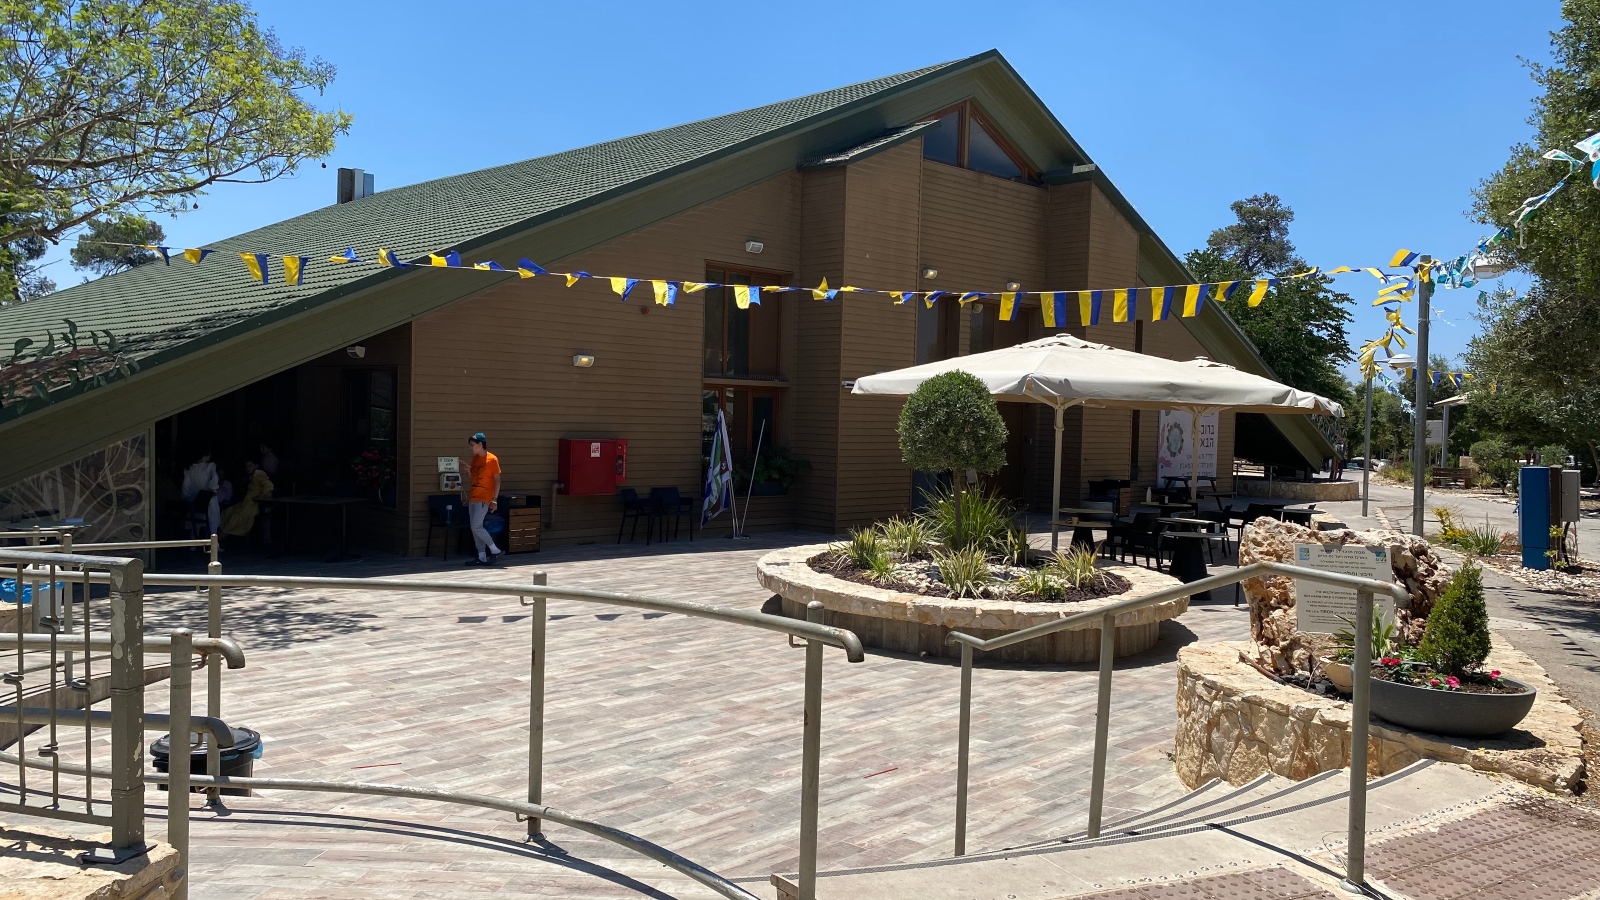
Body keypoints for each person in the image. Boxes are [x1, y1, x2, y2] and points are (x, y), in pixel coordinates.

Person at [464, 432, 503, 566]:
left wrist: (495, 499)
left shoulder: (492, 459)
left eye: (472, 445)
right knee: (475, 527)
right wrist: (469, 471)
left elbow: (497, 480)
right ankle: (481, 556)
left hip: (484, 497)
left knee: (476, 526)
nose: (471, 448)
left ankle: (494, 549)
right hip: (473, 496)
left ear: (480, 444)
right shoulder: (475, 459)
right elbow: (475, 478)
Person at [221, 460, 274, 538]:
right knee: (228, 513)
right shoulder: (252, 477)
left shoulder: (258, 475)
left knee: (235, 519)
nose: (247, 468)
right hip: (246, 503)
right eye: (246, 466)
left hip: (251, 504)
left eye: (250, 465)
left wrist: (261, 496)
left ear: (256, 465)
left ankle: (215, 542)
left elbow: (269, 485)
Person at [181, 451, 221, 536]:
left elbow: (185, 486)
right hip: (208, 498)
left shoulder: (190, 469)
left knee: (195, 520)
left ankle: (193, 544)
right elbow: (214, 480)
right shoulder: (210, 466)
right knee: (212, 521)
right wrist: (212, 490)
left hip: (195, 499)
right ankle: (213, 545)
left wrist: (187, 497)